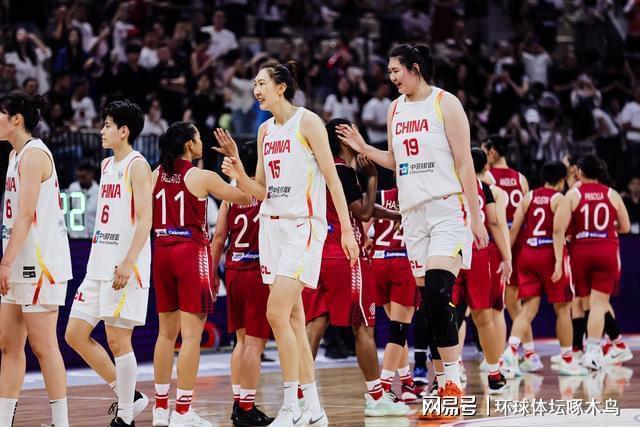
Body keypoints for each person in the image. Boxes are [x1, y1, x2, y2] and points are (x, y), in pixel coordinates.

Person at [337, 44, 487, 419]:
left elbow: (465, 163)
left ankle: (452, 383)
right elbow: (395, 160)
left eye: (395, 70)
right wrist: (363, 148)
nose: (391, 77)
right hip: (413, 214)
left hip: (447, 208)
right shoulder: (395, 109)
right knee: (429, 307)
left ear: (415, 68)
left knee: (438, 291)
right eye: (389, 72)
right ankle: (443, 386)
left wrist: (476, 215)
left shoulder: (445, 103)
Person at [219, 60, 359, 426]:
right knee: (295, 321)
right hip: (272, 228)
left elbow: (332, 179)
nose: (256, 90)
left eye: (262, 83)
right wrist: (239, 173)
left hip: (303, 227)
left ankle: (290, 406)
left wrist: (346, 229)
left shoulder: (308, 122)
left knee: (276, 313)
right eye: (254, 83)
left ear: (281, 87)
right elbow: (259, 191)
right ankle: (314, 408)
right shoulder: (264, 130)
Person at [301, 118, 410, 416]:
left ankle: (300, 395)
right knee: (363, 327)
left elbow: (357, 207)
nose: (358, 135)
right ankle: (376, 397)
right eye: (353, 131)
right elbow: (362, 211)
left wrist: (395, 216)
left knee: (315, 325)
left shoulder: (320, 168)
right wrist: (372, 179)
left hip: (317, 253)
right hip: (345, 254)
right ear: (343, 138)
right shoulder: (344, 171)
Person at [151, 122, 251, 427]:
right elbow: (246, 198)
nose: (201, 142)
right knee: (191, 337)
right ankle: (182, 412)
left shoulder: (154, 174)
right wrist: (236, 166)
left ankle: (160, 409)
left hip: (161, 250)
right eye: (198, 138)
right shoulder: (202, 176)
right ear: (189, 145)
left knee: (165, 335)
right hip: (190, 252)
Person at [64, 100, 152, 427]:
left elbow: (145, 220)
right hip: (98, 264)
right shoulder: (105, 165)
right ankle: (129, 395)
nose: (101, 131)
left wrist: (128, 262)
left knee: (118, 340)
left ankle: (126, 416)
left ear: (123, 131)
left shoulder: (137, 165)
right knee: (74, 334)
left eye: (107, 125)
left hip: (123, 265)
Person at [0, 92, 72, 427]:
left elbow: (26, 215)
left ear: (16, 119)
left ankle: (61, 422)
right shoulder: (14, 155)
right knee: (8, 346)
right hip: (18, 259)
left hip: (40, 264)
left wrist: (5, 262)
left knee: (44, 348)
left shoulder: (34, 155)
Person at [210, 140, 274, 426]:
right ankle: (246, 408)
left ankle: (239, 403)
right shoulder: (265, 193)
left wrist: (212, 273)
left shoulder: (230, 195)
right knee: (255, 345)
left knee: (241, 341)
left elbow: (219, 238)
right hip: (257, 272)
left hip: (234, 271)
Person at [508, 161, 587, 376]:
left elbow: (514, 229)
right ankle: (567, 359)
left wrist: (507, 257)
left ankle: (511, 350)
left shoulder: (529, 196)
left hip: (527, 255)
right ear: (561, 181)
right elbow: (558, 231)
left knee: (528, 309)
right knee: (563, 309)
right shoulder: (560, 199)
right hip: (549, 253)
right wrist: (559, 262)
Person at [453, 148, 512, 392]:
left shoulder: (445, 181)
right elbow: (495, 223)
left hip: (451, 251)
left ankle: (449, 374)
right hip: (477, 252)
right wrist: (507, 257)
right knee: (483, 316)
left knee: (451, 316)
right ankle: (494, 372)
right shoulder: (484, 187)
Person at [483, 135, 541, 373]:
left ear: (492, 152)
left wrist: (504, 248)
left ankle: (502, 358)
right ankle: (529, 354)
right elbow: (527, 212)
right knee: (513, 303)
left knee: (498, 305)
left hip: (499, 243)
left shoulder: (486, 176)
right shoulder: (521, 178)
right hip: (519, 244)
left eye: (485, 151)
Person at [567, 155, 631, 370]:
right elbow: (626, 227)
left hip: (581, 251)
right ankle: (600, 349)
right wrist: (606, 228)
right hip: (606, 249)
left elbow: (562, 228)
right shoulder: (612, 194)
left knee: (588, 304)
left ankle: (594, 350)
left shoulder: (574, 194)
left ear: (579, 172)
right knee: (597, 304)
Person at [367, 180, 425, 402]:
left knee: (397, 329)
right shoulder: (421, 197)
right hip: (402, 262)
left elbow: (364, 228)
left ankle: (407, 383)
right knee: (398, 331)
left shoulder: (380, 196)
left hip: (378, 262)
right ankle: (384, 387)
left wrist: (367, 241)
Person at [66, 160, 99, 239]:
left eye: (83, 177)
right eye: (78, 177)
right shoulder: (72, 187)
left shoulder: (99, 191)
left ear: (91, 174)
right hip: (75, 237)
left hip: (92, 237)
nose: (80, 180)